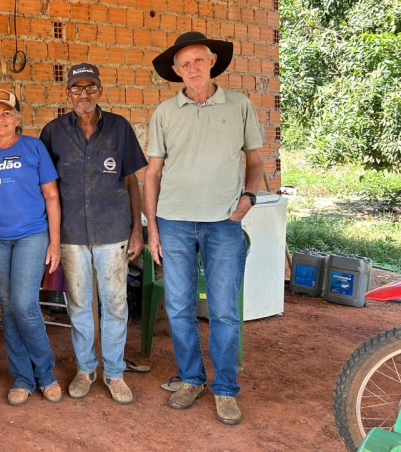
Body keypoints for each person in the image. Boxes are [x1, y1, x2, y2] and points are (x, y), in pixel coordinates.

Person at [144, 31, 264, 425]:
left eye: (199, 60)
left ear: (212, 61)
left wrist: (248, 198)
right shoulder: (165, 112)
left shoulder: (239, 105)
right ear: (176, 71)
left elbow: (255, 161)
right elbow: (153, 173)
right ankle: (191, 378)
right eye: (185, 64)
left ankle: (225, 388)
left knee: (224, 310)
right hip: (174, 222)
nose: (192, 68)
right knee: (178, 307)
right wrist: (152, 229)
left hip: (223, 222)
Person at [39, 63, 147, 405]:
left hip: (113, 230)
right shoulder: (53, 132)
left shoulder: (119, 127)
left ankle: (114, 372)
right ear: (67, 92)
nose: (83, 94)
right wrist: (49, 236)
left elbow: (131, 180)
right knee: (79, 304)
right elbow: (45, 186)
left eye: (90, 87)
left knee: (115, 304)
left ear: (99, 90)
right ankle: (86, 369)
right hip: (71, 233)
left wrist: (137, 230)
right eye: (76, 88)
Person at [0, 89, 62, 406]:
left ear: (18, 118)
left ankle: (46, 373)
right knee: (9, 307)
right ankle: (22, 377)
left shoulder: (34, 147)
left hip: (31, 235)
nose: (1, 119)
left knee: (24, 305)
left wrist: (55, 242)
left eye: (7, 113)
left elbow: (51, 196)